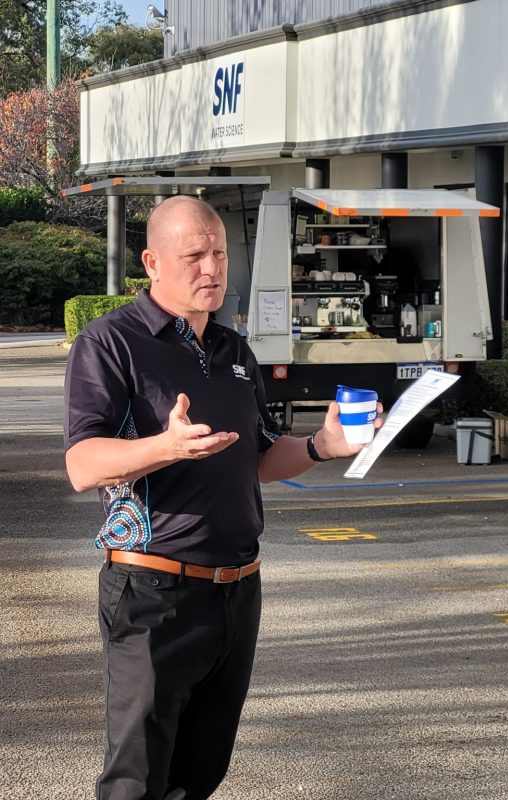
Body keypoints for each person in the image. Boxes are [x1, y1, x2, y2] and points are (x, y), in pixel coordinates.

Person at [63, 194, 381, 800]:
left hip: (238, 591)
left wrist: (321, 445)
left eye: (218, 254)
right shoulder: (112, 344)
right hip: (154, 592)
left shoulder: (235, 350)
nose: (211, 269)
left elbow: (259, 458)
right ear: (152, 261)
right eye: (193, 256)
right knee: (138, 780)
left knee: (200, 773)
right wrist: (166, 447)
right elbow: (82, 465)